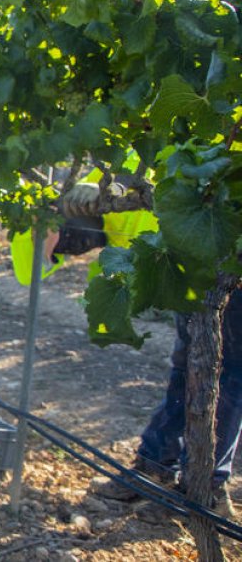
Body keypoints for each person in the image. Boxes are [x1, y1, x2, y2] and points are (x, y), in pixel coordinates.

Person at [13, 179, 241, 519]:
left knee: (226, 375)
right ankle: (154, 467)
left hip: (231, 264)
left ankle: (205, 490)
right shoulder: (157, 140)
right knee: (190, 365)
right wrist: (106, 192)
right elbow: (152, 177)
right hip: (191, 258)